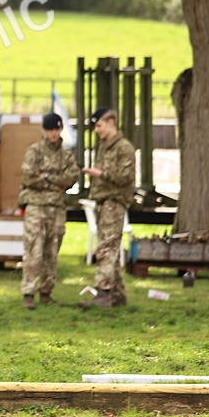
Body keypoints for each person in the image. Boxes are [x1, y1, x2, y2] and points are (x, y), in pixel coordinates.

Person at [18, 112, 79, 309]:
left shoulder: (66, 155)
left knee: (52, 251)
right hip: (36, 207)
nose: (54, 133)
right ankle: (28, 293)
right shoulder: (34, 152)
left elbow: (71, 178)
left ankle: (46, 292)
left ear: (61, 129)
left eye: (57, 129)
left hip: (57, 209)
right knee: (33, 250)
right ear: (44, 130)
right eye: (50, 129)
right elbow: (28, 177)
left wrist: (44, 177)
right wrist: (53, 180)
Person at [80, 107, 136, 308]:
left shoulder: (124, 148)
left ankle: (103, 294)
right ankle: (118, 296)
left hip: (114, 203)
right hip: (103, 203)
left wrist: (100, 174)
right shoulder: (105, 146)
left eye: (99, 125)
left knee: (105, 249)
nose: (96, 130)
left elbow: (126, 178)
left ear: (111, 123)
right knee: (110, 249)